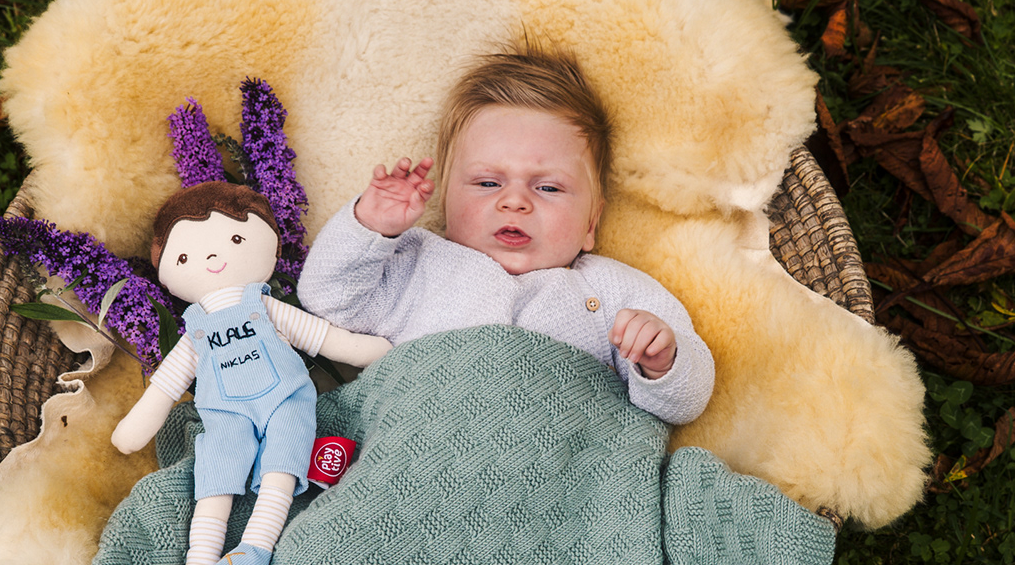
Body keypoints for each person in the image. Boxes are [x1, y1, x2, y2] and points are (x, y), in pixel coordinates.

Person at [298, 49, 714, 425]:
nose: (514, 201)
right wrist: (370, 226)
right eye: (487, 183)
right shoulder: (417, 265)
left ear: (591, 223)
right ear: (445, 203)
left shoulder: (611, 292)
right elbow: (328, 299)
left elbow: (686, 404)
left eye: (548, 187)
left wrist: (662, 361)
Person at [110, 182, 391, 565]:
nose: (211, 259)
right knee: (215, 484)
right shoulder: (195, 329)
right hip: (225, 416)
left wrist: (372, 351)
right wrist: (136, 426)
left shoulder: (263, 305)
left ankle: (254, 553)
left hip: (286, 401)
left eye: (236, 239)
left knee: (282, 468)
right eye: (187, 256)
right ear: (168, 270)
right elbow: (166, 384)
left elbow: (322, 337)